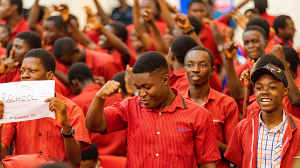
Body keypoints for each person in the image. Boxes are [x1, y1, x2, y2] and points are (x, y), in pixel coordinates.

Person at [86, 51, 220, 167]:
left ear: (165, 80)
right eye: (138, 88)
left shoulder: (199, 116)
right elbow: (94, 125)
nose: (142, 93)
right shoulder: (130, 107)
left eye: (147, 87)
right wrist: (99, 98)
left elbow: (207, 163)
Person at [0, 48, 91, 167]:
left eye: (32, 71)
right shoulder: (13, 107)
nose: (25, 76)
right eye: (22, 71)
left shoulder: (71, 110)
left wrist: (65, 126)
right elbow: (1, 155)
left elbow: (74, 162)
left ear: (49, 75)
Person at [224, 53, 300, 167]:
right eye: (259, 88)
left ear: (285, 91)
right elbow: (238, 163)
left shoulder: (297, 130)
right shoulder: (243, 127)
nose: (264, 92)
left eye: (272, 87)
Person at [182, 46, 239, 168]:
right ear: (185, 69)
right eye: (190, 65)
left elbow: (234, 154)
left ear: (212, 70)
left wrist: (204, 136)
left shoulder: (227, 104)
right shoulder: (176, 102)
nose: (195, 70)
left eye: (202, 65)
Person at [68, 62, 126, 156]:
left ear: (74, 83)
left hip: (92, 160)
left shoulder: (76, 102)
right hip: (121, 158)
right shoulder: (117, 96)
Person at [0, 31, 67, 96]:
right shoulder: (10, 72)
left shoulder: (51, 82)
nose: (12, 51)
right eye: (12, 47)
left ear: (33, 50)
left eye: (18, 47)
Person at [223, 25, 268, 114]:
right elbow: (234, 96)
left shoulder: (274, 67)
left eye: (255, 41)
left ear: (266, 43)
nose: (250, 46)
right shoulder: (239, 71)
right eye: (246, 43)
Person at [53, 37, 122, 83]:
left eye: (68, 63)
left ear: (76, 51)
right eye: (64, 64)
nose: (67, 67)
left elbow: (119, 91)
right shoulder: (75, 63)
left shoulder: (105, 63)